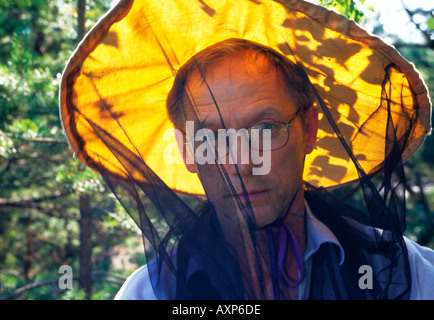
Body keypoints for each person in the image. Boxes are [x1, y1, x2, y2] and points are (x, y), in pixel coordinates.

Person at [59, 0, 433, 299]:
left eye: (265, 128)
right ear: (187, 150)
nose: (241, 162)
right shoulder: (148, 295)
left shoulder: (407, 274)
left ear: (311, 129)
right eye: (212, 138)